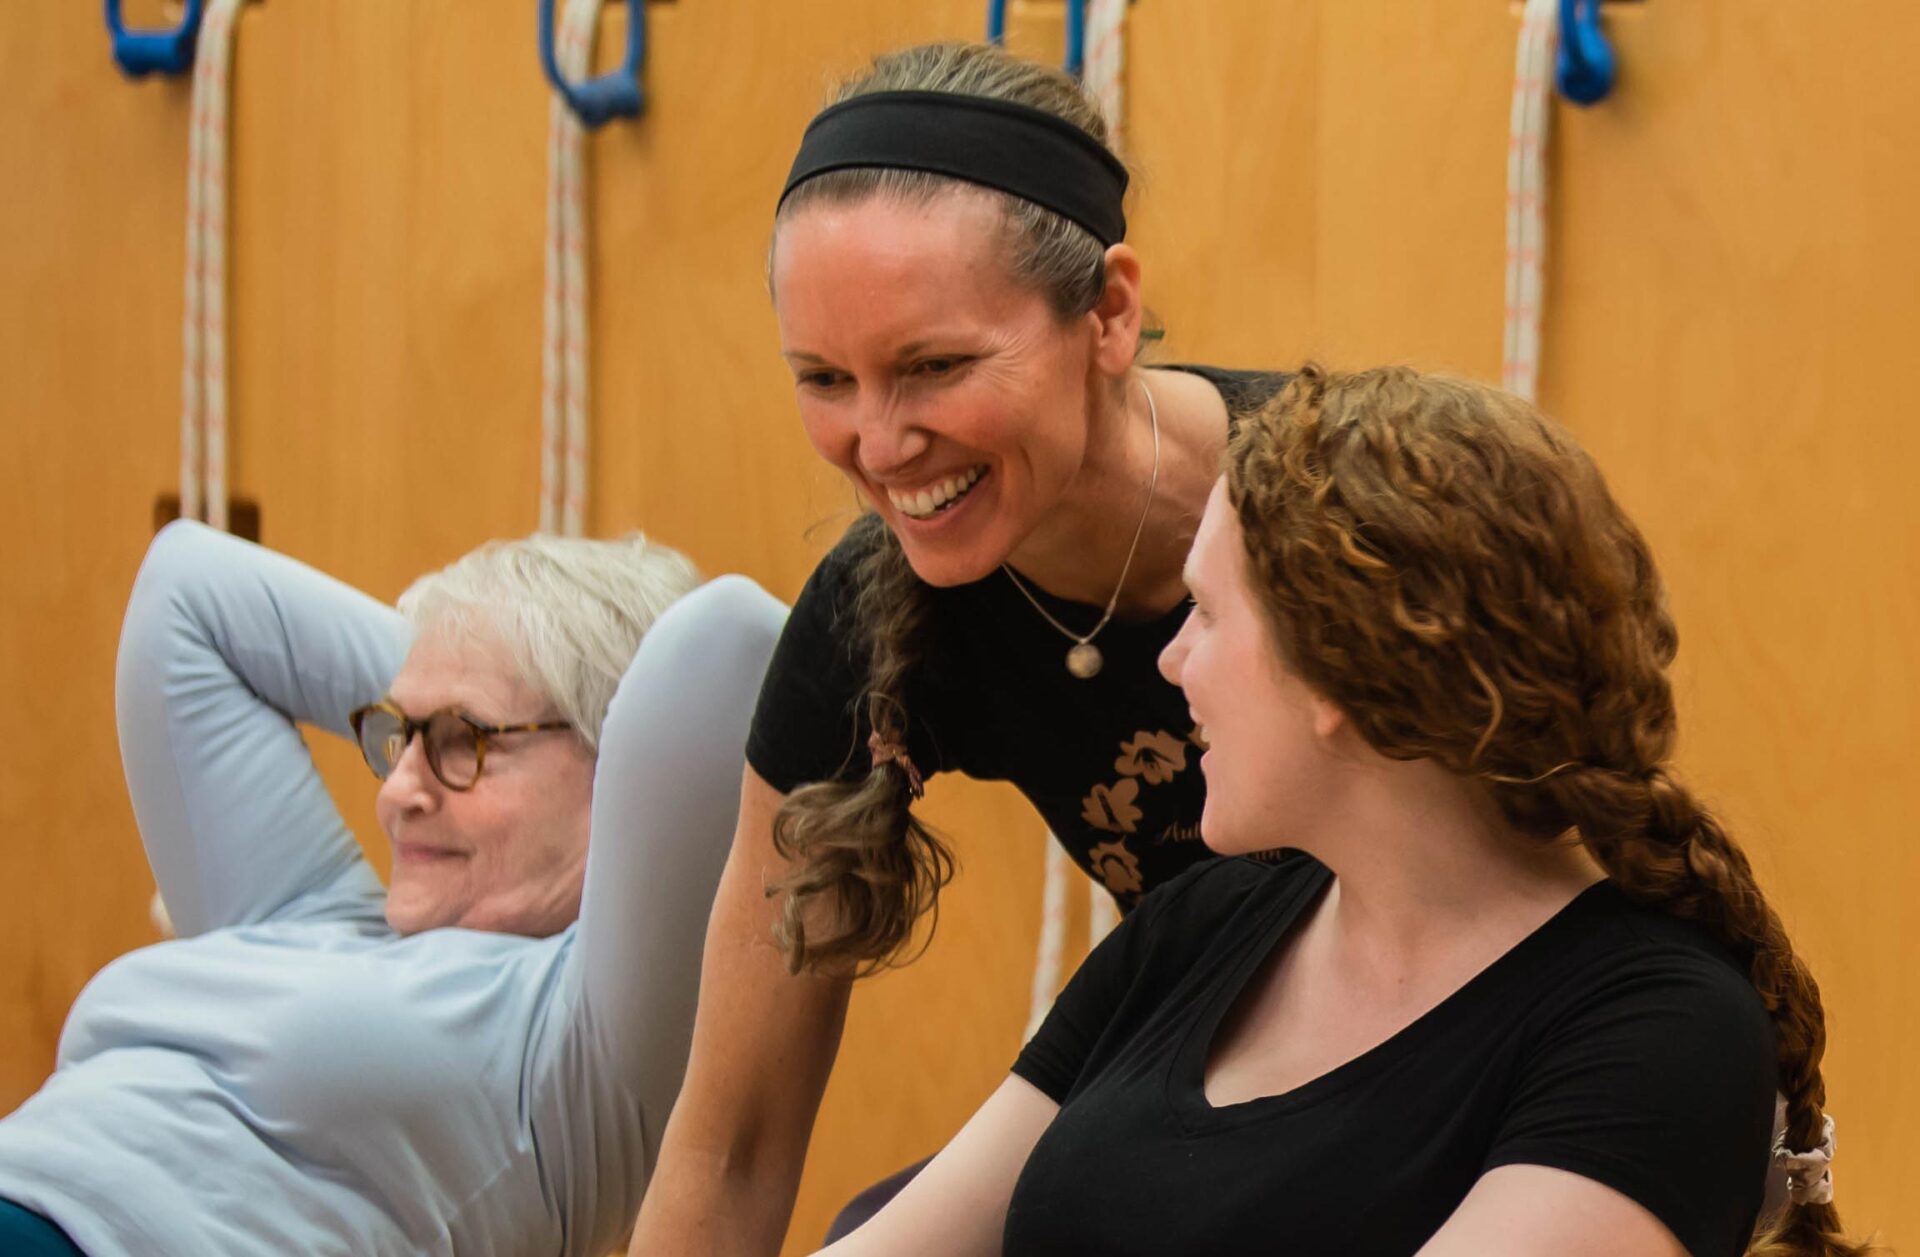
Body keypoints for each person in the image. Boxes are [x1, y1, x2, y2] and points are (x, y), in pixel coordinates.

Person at [809, 365, 1870, 1257]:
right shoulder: (1205, 923)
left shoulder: (1657, 1036)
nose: (1172, 661)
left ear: (1339, 674)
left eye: (1208, 616)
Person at [629, 40, 1291, 1254]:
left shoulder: (1347, 514)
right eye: (825, 379)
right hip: (1209, 1094)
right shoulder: (869, 622)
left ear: (1110, 314)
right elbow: (730, 1145)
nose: (880, 446)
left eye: (934, 367)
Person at [0, 520, 786, 1257]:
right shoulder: (310, 914)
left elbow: (730, 641)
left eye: (461, 741)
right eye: (396, 737)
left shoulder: (584, 1051)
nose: (395, 791)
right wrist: (463, 655)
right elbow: (186, 587)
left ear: (617, 767)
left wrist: (555, 674)